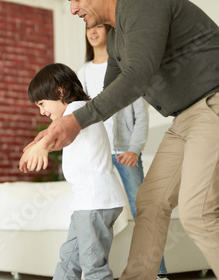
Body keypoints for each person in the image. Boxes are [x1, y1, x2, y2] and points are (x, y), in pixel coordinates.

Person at [22, 0, 219, 279]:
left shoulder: (144, 1)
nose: (72, 9)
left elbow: (137, 77)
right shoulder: (115, 38)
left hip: (212, 104)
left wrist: (74, 121)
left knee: (197, 212)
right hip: (185, 118)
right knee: (151, 201)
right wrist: (56, 129)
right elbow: (105, 97)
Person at [78, 24, 169, 280]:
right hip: (96, 155)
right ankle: (95, 272)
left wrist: (134, 149)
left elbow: (141, 117)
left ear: (109, 32)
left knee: (142, 209)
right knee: (95, 210)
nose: (92, 31)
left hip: (123, 153)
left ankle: (158, 273)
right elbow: (79, 112)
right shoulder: (82, 72)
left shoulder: (125, 71)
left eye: (98, 26)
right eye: (88, 28)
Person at [20, 63, 126, 280]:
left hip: (95, 201)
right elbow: (51, 133)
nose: (42, 111)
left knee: (93, 265)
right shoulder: (72, 116)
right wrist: (35, 146)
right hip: (87, 203)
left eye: (42, 103)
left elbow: (53, 134)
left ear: (59, 92)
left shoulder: (78, 111)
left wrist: (41, 147)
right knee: (70, 257)